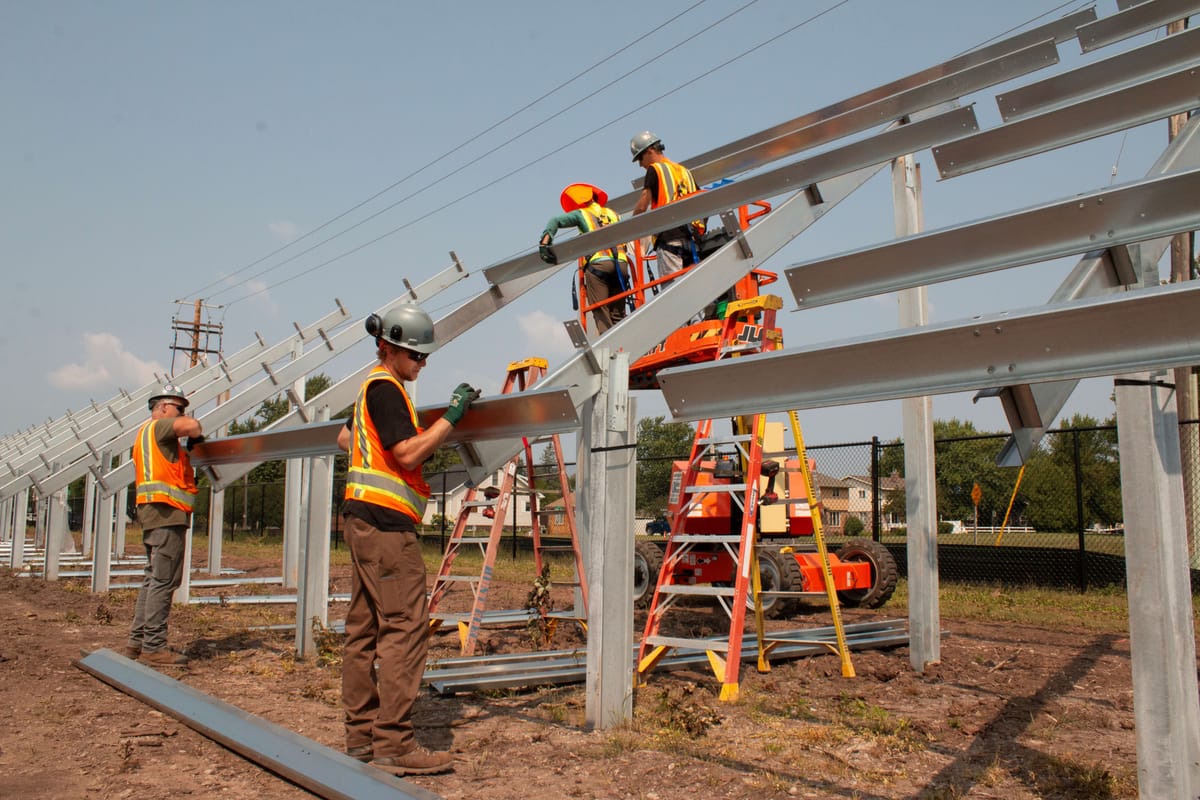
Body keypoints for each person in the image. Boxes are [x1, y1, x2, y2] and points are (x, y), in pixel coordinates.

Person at [336, 303, 479, 776]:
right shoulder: (385, 388)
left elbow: (346, 439)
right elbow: (407, 451)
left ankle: (361, 737)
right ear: (391, 347)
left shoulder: (369, 392)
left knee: (364, 629)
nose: (422, 364)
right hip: (386, 528)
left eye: (424, 357)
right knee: (404, 627)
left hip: (362, 522)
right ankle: (393, 744)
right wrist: (451, 418)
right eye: (416, 356)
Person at [126, 383, 203, 667]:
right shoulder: (158, 428)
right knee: (164, 580)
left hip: (154, 513)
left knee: (153, 578)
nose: (183, 413)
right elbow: (192, 426)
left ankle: (137, 642)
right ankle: (153, 647)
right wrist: (196, 433)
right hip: (166, 513)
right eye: (178, 408)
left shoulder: (145, 435)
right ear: (162, 408)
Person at [539, 182, 633, 333]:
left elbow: (555, 221)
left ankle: (609, 349)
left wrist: (544, 243)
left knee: (601, 311)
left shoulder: (582, 214)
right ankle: (624, 346)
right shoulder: (614, 214)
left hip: (599, 266)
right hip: (621, 266)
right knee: (618, 315)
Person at [630, 130, 706, 280]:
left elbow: (642, 205)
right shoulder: (684, 171)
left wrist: (630, 228)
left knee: (672, 290)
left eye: (640, 158)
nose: (640, 165)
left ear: (650, 151)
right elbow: (701, 200)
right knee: (694, 287)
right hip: (692, 239)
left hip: (669, 236)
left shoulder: (655, 169)